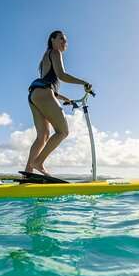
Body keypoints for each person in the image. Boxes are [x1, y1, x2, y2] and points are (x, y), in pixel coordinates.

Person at [24, 31, 92, 176]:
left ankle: (27, 172)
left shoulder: (44, 59)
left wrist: (66, 99)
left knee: (42, 136)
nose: (64, 42)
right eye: (61, 39)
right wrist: (84, 82)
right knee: (62, 131)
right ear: (53, 39)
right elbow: (61, 75)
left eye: (66, 41)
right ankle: (38, 162)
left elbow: (48, 84)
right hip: (44, 92)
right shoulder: (55, 52)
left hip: (34, 95)